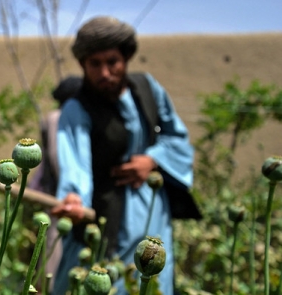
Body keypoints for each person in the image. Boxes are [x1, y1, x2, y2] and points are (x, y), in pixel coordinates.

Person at [50, 16, 199, 295]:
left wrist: (152, 159)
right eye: (95, 63)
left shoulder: (148, 89)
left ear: (126, 58)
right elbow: (75, 166)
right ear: (83, 65)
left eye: (112, 62)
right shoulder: (76, 109)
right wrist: (74, 199)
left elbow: (176, 137)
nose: (104, 72)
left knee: (152, 283)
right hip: (104, 215)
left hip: (153, 209)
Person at [28, 76, 82, 292]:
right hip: (58, 198)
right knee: (53, 253)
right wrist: (71, 190)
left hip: (64, 197)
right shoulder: (58, 118)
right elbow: (57, 157)